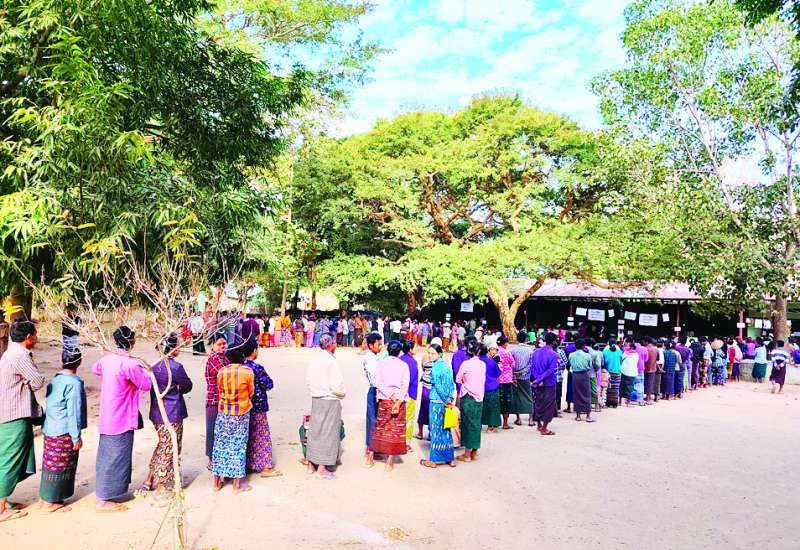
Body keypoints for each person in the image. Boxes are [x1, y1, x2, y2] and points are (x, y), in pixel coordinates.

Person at [94, 326, 152, 512]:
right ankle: (104, 500)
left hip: (107, 416)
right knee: (116, 458)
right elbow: (146, 385)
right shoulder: (130, 364)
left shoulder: (108, 360)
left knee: (107, 457)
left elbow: (96, 369)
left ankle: (106, 494)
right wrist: (146, 370)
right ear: (133, 343)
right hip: (122, 417)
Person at [0, 321, 44, 522]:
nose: (36, 338)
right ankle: (1, 508)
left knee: (7, 457)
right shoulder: (21, 356)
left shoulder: (10, 352)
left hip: (7, 411)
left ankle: (3, 499)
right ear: (28, 337)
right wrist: (27, 382)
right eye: (35, 334)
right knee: (11, 459)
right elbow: (37, 381)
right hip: (14, 414)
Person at [142, 333, 193, 497]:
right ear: (174, 348)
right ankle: (161, 485)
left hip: (157, 412)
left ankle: (149, 479)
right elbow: (188, 386)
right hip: (172, 413)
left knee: (163, 445)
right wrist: (178, 388)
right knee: (170, 447)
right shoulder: (176, 367)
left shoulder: (154, 366)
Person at [38, 349, 86, 513]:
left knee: (50, 465)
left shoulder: (55, 379)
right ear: (79, 362)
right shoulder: (73, 383)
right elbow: (73, 412)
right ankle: (50, 502)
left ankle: (45, 498)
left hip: (50, 428)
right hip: (63, 431)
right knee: (61, 466)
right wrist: (76, 437)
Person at [212, 337, 256, 493]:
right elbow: (251, 392)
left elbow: (219, 390)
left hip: (224, 412)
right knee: (239, 445)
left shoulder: (221, 372)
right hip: (241, 413)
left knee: (220, 444)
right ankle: (236, 485)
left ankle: (216, 483)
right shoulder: (248, 372)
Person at [305, 334, 346, 478]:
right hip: (330, 399)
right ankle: (322, 468)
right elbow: (337, 385)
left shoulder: (314, 359)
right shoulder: (331, 361)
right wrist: (342, 394)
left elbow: (308, 380)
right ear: (330, 345)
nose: (336, 346)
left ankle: (311, 464)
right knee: (328, 433)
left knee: (315, 431)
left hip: (316, 398)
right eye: (334, 343)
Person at [368, 340, 409, 470]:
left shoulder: (381, 364)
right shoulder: (404, 365)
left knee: (380, 426)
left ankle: (370, 457)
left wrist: (390, 395)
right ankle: (389, 461)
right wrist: (397, 399)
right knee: (395, 430)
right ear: (399, 352)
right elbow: (405, 385)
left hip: (385, 400)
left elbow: (378, 383)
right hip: (399, 401)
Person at [243, 341, 280, 478]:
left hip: (243, 406)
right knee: (261, 434)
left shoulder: (241, 367)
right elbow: (268, 384)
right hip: (258, 405)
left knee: (248, 435)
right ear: (254, 351)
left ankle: (249, 464)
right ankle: (264, 466)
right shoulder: (256, 368)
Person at [419, 344, 456, 468]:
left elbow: (438, 387)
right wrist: (450, 399)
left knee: (435, 431)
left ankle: (434, 460)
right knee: (446, 430)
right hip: (447, 402)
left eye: (432, 353)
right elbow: (451, 384)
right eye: (429, 353)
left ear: (439, 354)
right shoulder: (446, 367)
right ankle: (450, 458)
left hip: (436, 402)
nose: (430, 355)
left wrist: (446, 400)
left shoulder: (435, 368)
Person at [456, 339, 485, 462]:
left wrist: (465, 381)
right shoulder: (482, 364)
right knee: (476, 424)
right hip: (479, 397)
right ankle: (474, 452)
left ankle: (467, 454)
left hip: (468, 396)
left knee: (467, 425)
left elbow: (458, 379)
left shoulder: (466, 364)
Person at [204, 335, 229, 469]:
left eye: (224, 343)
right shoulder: (213, 359)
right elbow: (226, 375)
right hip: (214, 399)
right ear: (212, 345)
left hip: (223, 398)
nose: (222, 346)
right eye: (219, 344)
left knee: (221, 430)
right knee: (212, 429)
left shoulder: (224, 357)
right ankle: (211, 459)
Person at [530, 333, 559, 436]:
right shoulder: (554, 354)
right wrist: (540, 379)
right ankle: (544, 428)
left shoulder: (535, 352)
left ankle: (539, 424)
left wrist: (537, 379)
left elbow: (532, 367)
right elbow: (550, 370)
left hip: (537, 381)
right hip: (549, 382)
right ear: (554, 342)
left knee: (538, 402)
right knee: (549, 405)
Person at [363, 332, 383, 464]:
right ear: (371, 345)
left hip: (378, 390)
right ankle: (370, 449)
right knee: (372, 420)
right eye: (378, 344)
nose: (380, 347)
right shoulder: (369, 359)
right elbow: (375, 379)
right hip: (374, 390)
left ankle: (375, 448)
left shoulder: (376, 357)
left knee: (377, 419)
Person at [508, 331, 534, 426]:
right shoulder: (530, 350)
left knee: (516, 397)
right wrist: (523, 372)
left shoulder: (512, 350)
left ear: (517, 339)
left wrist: (514, 373)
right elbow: (531, 364)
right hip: (525, 376)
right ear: (526, 339)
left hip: (515, 376)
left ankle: (518, 419)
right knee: (529, 396)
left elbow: (509, 364)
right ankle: (531, 420)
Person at [569, 339, 595, 422]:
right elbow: (589, 366)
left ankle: (578, 415)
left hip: (575, 375)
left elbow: (570, 365)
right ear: (584, 346)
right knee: (587, 394)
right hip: (584, 375)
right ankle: (588, 415)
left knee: (576, 394)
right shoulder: (587, 356)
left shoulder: (571, 355)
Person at [399, 340, 419, 450]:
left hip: (399, 393)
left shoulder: (400, 359)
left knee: (400, 417)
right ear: (411, 349)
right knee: (409, 418)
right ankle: (406, 443)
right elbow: (409, 379)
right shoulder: (412, 362)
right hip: (410, 393)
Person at [480, 343, 502, 432]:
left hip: (481, 387)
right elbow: (498, 373)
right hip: (492, 385)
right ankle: (494, 426)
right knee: (494, 407)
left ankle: (485, 425)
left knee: (484, 406)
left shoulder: (478, 361)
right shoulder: (491, 361)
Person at [496, 336, 516, 429]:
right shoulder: (507, 353)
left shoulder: (494, 352)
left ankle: (495, 422)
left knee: (498, 401)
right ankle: (505, 423)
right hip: (507, 380)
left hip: (497, 380)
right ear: (504, 344)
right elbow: (513, 364)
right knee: (506, 401)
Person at [603, 339, 623, 408]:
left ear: (608, 344)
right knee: (615, 388)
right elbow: (621, 362)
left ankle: (608, 403)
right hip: (617, 372)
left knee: (608, 388)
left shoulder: (605, 351)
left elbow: (603, 362)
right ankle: (614, 403)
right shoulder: (619, 352)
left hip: (608, 372)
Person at [620, 341, 639, 407]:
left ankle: (620, 401)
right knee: (630, 387)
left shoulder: (625, 353)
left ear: (631, 347)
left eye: (627, 346)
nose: (626, 347)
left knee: (622, 386)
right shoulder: (636, 354)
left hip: (623, 371)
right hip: (632, 373)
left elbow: (621, 360)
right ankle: (628, 402)